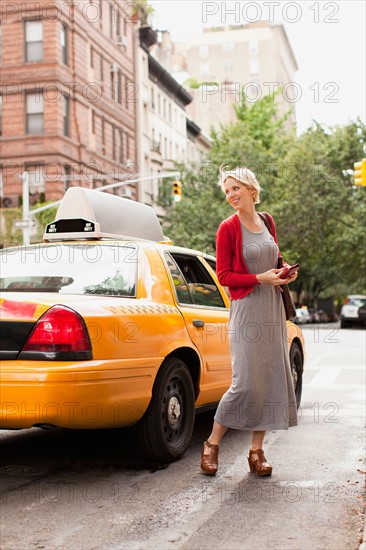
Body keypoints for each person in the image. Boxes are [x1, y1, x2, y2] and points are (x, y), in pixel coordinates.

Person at [200, 166, 299, 477]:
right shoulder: (227, 228)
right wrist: (259, 278)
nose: (230, 195)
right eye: (227, 191)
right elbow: (225, 276)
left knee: (269, 381)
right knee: (243, 383)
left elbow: (275, 260)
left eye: (235, 188)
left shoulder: (267, 221)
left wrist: (283, 273)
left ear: (251, 189)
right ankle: (211, 444)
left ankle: (256, 452)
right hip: (246, 311)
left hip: (271, 309)